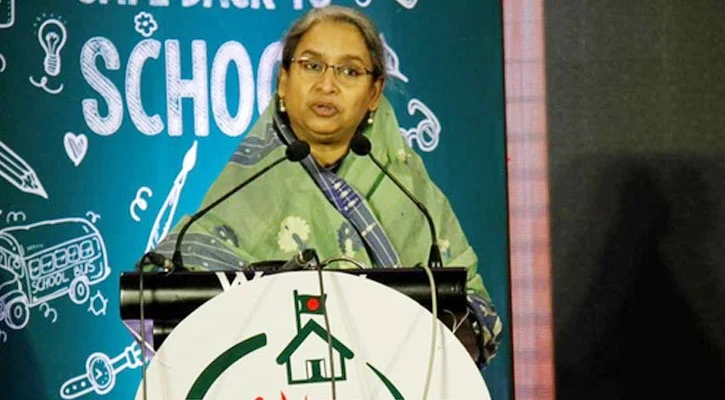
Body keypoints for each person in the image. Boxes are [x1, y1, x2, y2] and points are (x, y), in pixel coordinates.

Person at [153, 5, 502, 367]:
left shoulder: (411, 194)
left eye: (350, 71)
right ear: (283, 81)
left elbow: (476, 312)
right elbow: (164, 298)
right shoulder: (243, 191)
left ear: (374, 92)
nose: (327, 85)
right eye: (312, 65)